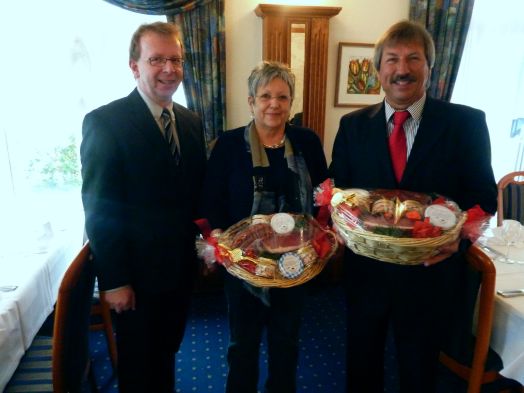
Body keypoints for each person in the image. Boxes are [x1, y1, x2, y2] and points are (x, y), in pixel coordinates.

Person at [329, 20, 498, 393]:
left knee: (419, 373)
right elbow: (337, 193)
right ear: (378, 70)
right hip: (367, 274)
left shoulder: (466, 124)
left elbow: (484, 198)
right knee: (361, 367)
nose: (401, 69)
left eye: (413, 59)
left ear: (429, 67)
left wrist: (460, 241)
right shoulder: (352, 126)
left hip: (430, 276)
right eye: (391, 59)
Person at [80, 22, 207, 392]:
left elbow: (194, 194)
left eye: (176, 60)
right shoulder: (106, 122)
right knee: (137, 366)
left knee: (167, 353)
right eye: (156, 60)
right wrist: (115, 280)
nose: (169, 69)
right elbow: (100, 208)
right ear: (134, 66)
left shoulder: (190, 121)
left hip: (180, 272)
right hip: (134, 279)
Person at [200, 61, 328, 393]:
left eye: (282, 97)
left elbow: (322, 195)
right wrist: (216, 237)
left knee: (286, 343)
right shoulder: (228, 146)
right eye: (265, 96)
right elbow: (210, 200)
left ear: (291, 102)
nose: (274, 104)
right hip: (243, 266)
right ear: (251, 101)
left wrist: (322, 232)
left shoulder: (307, 142)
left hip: (293, 265)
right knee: (242, 346)